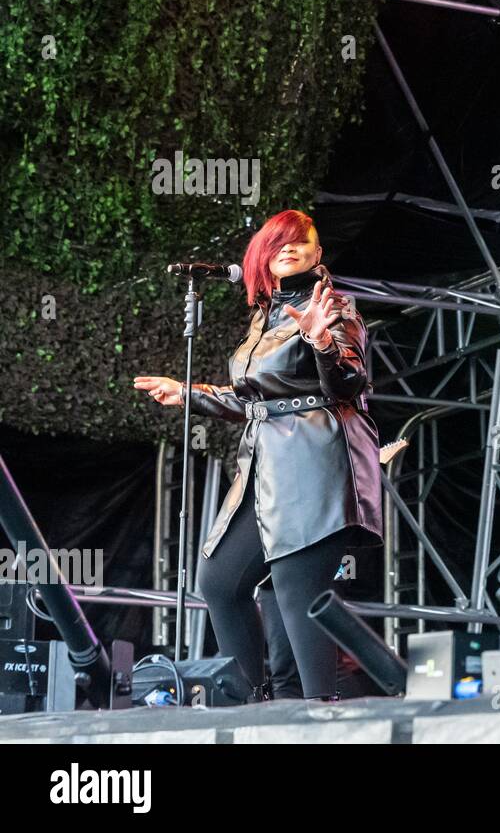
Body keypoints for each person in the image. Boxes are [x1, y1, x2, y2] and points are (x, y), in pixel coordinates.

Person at [134, 209, 383, 700]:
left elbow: (351, 381)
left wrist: (320, 340)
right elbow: (253, 401)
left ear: (317, 253)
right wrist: (188, 392)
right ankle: (248, 704)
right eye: (278, 243)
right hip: (265, 463)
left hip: (317, 461)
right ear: (262, 258)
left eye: (300, 241)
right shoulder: (263, 317)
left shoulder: (336, 307)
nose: (289, 249)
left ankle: (318, 717)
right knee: (220, 581)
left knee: (298, 593)